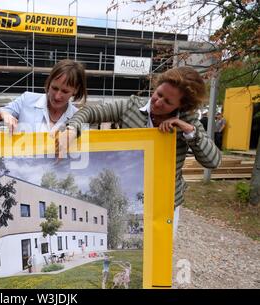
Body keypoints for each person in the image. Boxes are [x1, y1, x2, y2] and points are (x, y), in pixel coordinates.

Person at [59, 66, 221, 237]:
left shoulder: (189, 120)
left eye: (168, 102)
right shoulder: (131, 106)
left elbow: (213, 161)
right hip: (130, 196)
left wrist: (189, 132)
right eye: (158, 94)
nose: (158, 102)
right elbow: (91, 112)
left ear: (182, 105)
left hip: (165, 204)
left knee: (159, 255)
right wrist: (71, 130)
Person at [0, 59, 87, 133]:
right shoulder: (27, 100)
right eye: (54, 88)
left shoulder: (79, 117)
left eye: (65, 91)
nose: (57, 96)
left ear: (75, 90)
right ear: (48, 82)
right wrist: (1, 114)